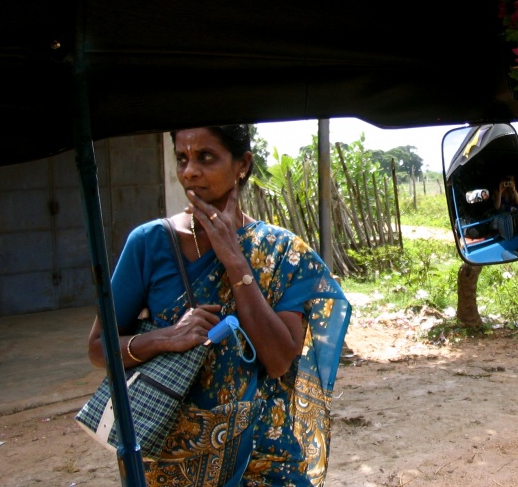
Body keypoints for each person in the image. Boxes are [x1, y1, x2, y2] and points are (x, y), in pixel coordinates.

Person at [86, 124, 351, 487]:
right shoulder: (149, 243)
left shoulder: (282, 252)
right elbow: (98, 349)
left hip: (263, 459)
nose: (190, 172)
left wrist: (235, 261)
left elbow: (277, 361)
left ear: (242, 164)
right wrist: (165, 338)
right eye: (182, 159)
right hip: (171, 462)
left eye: (206, 157)